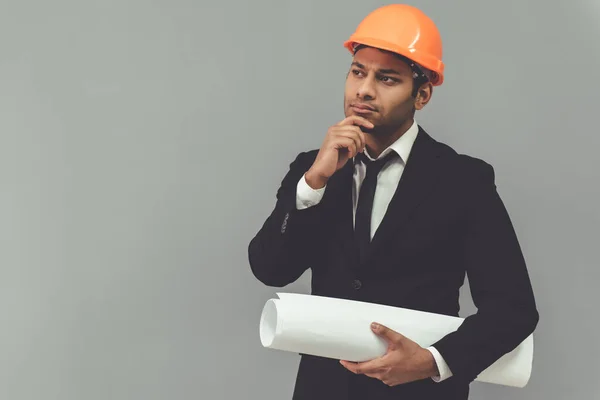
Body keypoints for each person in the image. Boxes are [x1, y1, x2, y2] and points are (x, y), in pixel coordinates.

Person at [247, 4, 539, 400]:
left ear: (421, 95)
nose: (364, 90)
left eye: (386, 78)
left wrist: (435, 361)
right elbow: (271, 268)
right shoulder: (313, 169)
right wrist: (312, 183)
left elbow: (513, 308)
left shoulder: (464, 181)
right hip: (324, 389)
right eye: (357, 71)